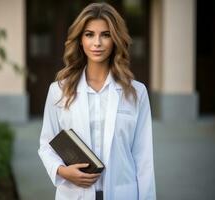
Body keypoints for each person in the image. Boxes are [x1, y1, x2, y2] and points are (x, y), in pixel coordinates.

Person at [38, 2, 156, 200]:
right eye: (89, 34)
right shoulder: (59, 91)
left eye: (106, 34)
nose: (97, 43)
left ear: (116, 39)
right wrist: (62, 171)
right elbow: (46, 144)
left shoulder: (136, 92)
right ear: (80, 40)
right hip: (74, 194)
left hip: (123, 194)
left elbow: (144, 159)